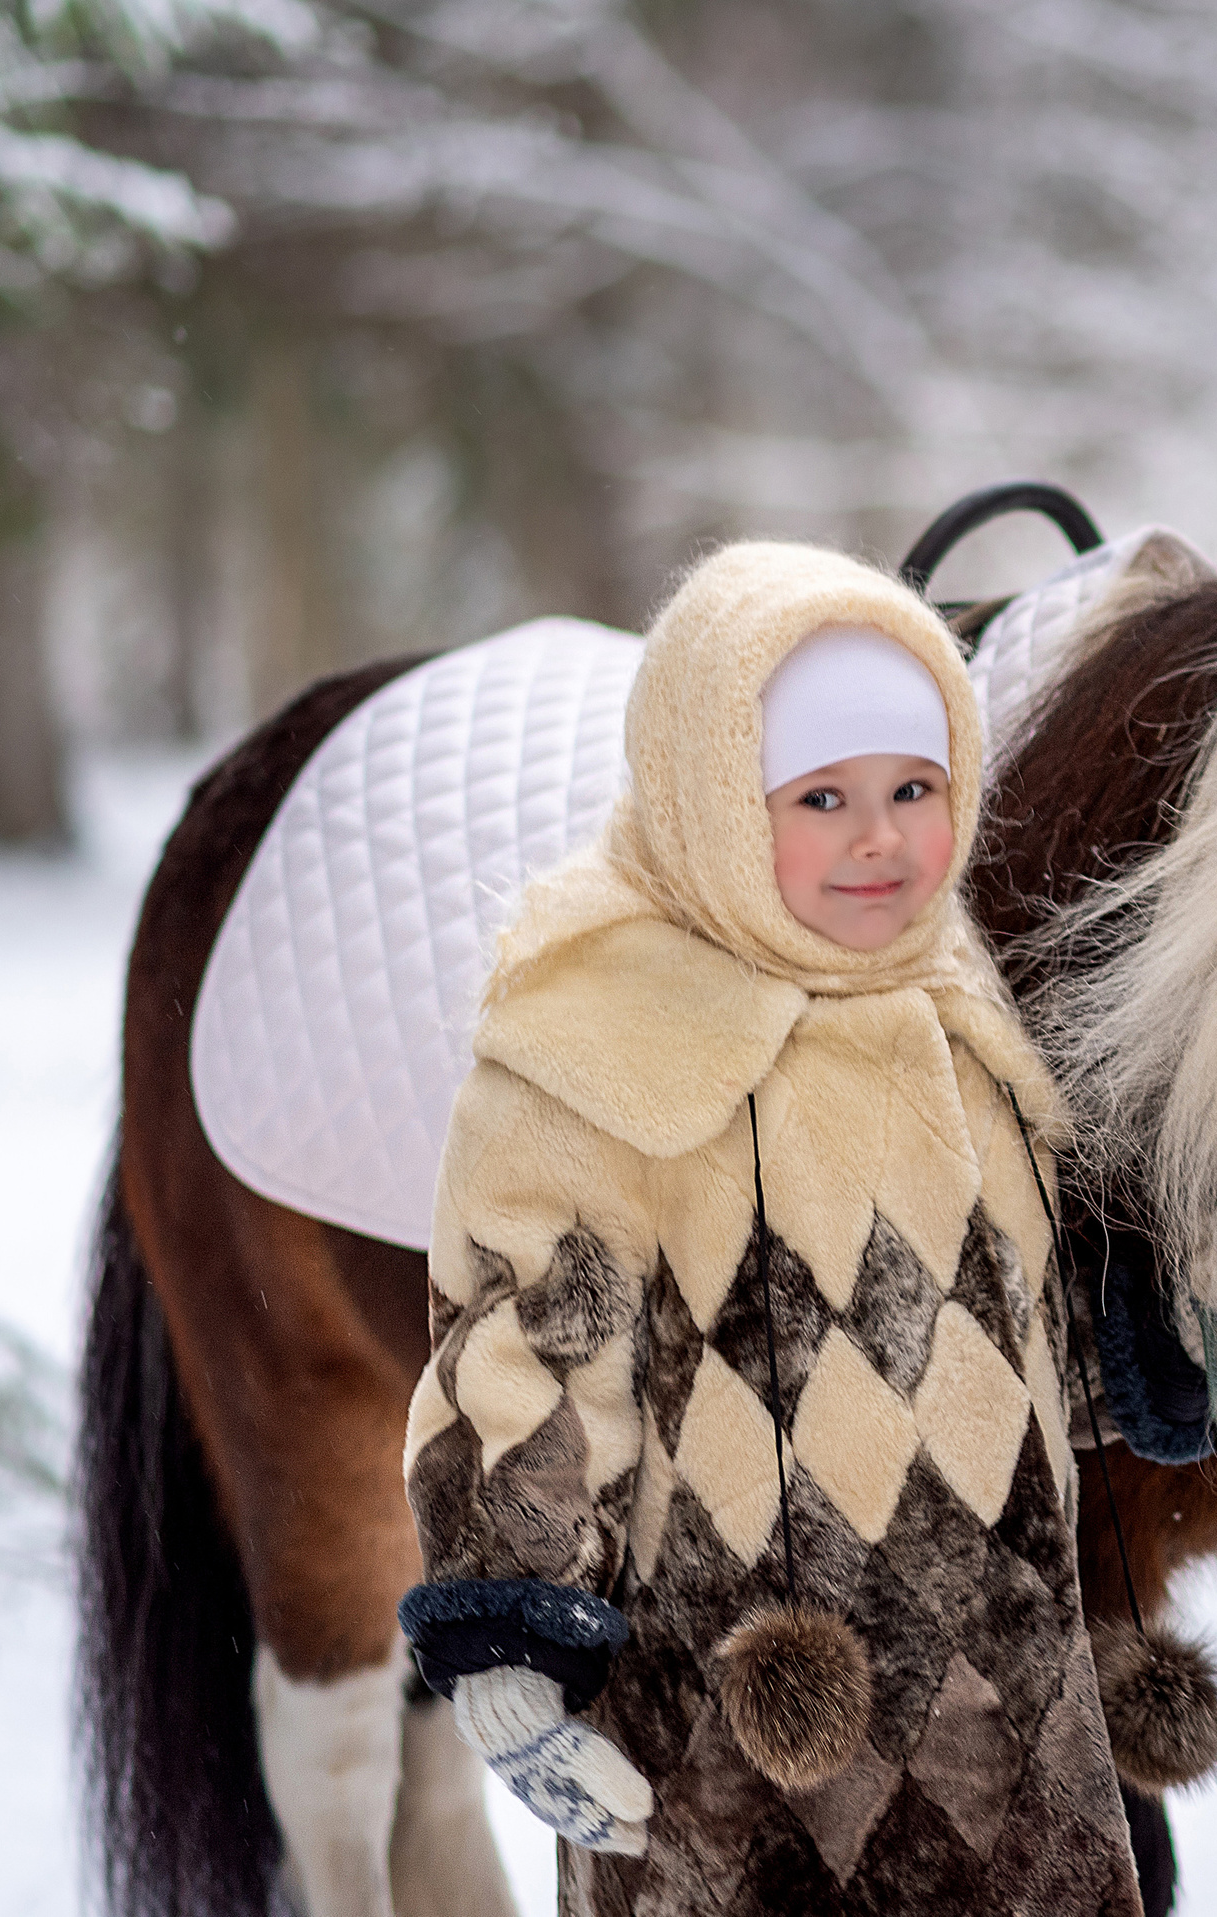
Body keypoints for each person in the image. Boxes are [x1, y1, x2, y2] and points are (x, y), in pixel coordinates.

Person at [396, 542, 1162, 1915]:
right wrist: (509, 1638)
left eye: (914, 788)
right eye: (822, 797)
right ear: (713, 797)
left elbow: (1009, 1318)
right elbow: (522, 1358)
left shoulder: (954, 1002)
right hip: (732, 1737)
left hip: (1002, 1719)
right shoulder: (592, 1038)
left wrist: (1140, 1334)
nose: (882, 839)